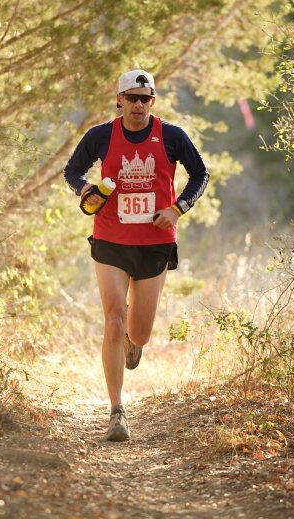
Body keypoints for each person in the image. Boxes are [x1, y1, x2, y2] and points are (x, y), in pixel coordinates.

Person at [63, 69, 209, 441]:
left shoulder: (172, 136)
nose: (139, 105)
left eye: (146, 98)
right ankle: (116, 411)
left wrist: (177, 208)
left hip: (154, 242)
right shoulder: (100, 135)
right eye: (132, 98)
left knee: (138, 331)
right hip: (110, 239)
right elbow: (72, 170)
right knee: (113, 319)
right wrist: (85, 191)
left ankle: (133, 343)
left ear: (152, 102)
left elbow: (200, 175)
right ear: (120, 100)